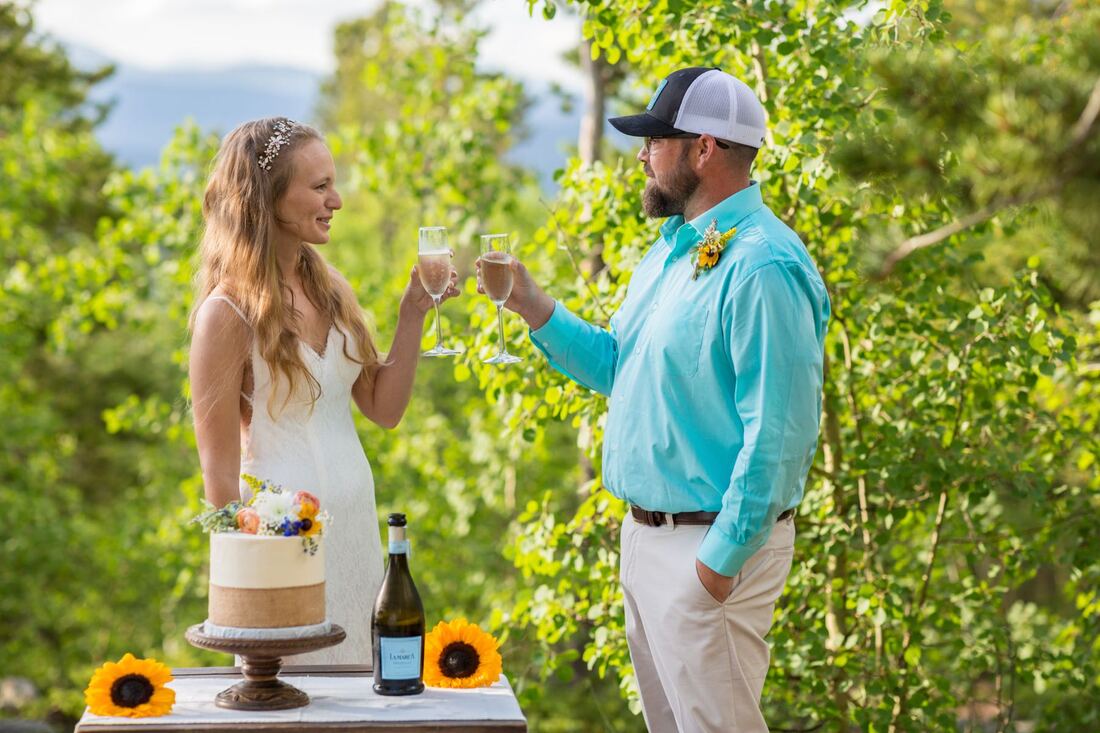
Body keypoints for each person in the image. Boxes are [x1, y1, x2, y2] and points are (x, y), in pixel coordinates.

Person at [486, 68, 830, 732]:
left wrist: (716, 566)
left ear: (704, 148)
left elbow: (779, 435)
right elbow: (621, 366)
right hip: (646, 541)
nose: (642, 156)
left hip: (709, 548)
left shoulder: (764, 266)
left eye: (654, 141)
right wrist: (532, 305)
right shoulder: (669, 252)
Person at [188, 117, 458, 664]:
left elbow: (384, 409)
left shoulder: (331, 288)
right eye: (319, 186)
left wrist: (412, 314)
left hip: (355, 534)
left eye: (333, 183)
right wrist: (252, 593)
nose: (336, 200)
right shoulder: (225, 313)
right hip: (280, 555)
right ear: (267, 197)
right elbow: (218, 480)